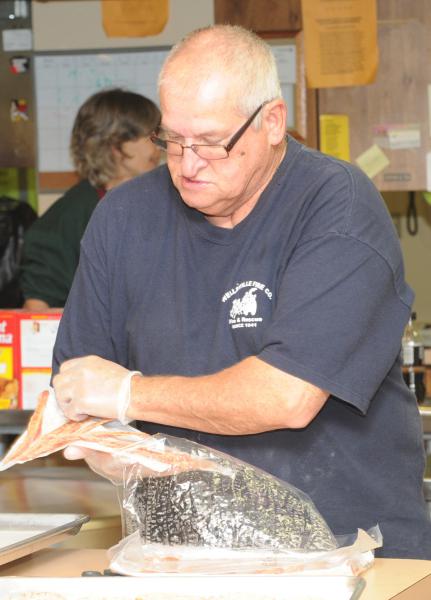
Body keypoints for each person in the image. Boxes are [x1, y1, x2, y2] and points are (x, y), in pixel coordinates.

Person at [52, 25, 431, 559]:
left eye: (210, 143)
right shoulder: (123, 218)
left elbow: (286, 396)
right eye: (171, 140)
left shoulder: (336, 206)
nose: (186, 164)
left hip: (347, 550)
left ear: (272, 122)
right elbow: (78, 384)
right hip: (179, 555)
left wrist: (128, 394)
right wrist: (104, 440)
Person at [20, 88, 161, 310]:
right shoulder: (69, 216)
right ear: (117, 146)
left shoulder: (163, 201)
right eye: (151, 135)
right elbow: (37, 311)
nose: (160, 145)